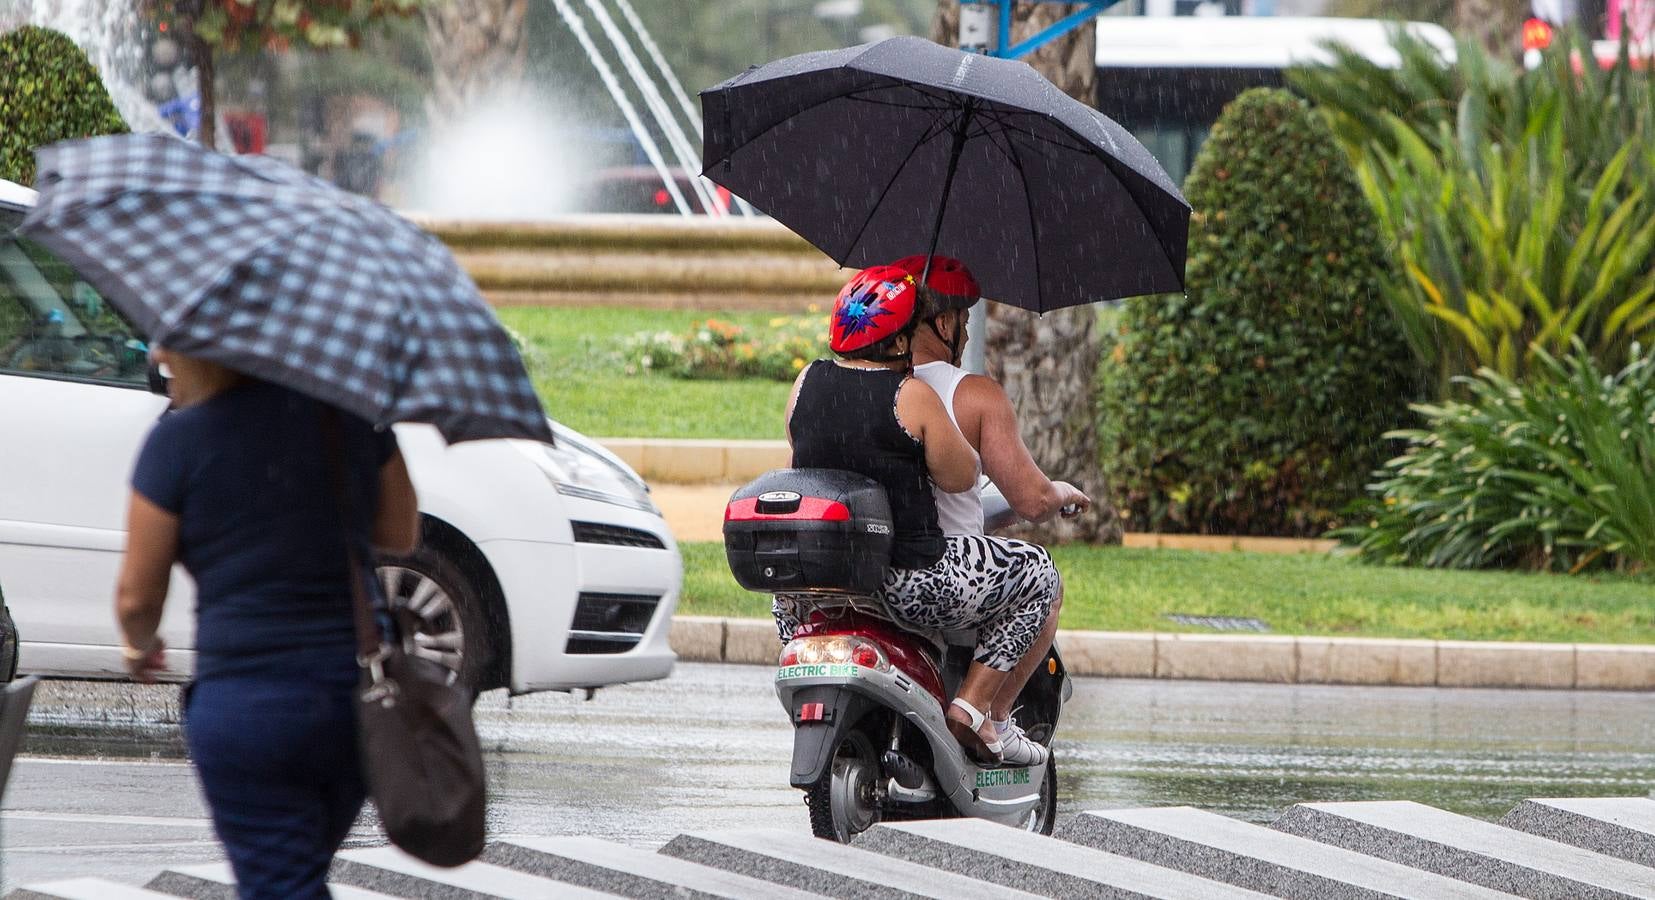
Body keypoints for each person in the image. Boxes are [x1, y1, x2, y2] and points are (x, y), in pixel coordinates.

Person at [115, 348, 418, 900]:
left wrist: (139, 647)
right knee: (294, 873)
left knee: (282, 882)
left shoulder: (178, 441)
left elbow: (137, 598)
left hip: (249, 705)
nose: (158, 353)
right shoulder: (347, 419)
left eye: (170, 340)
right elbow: (400, 530)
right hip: (351, 695)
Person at [782, 265, 1060, 767]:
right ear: (900, 338)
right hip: (909, 581)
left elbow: (798, 459)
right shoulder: (911, 396)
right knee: (1038, 573)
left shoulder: (808, 383)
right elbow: (960, 477)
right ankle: (977, 710)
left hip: (819, 582)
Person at [893, 253, 1091, 751]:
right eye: (962, 319)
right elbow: (1031, 497)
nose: (964, 331)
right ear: (943, 322)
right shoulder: (976, 396)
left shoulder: (877, 386)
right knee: (1043, 582)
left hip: (879, 569)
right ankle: (986, 712)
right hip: (945, 576)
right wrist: (1062, 492)